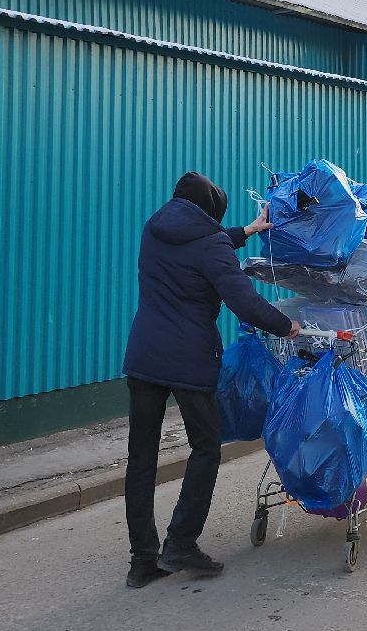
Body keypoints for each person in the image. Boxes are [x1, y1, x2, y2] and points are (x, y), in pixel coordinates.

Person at [121, 172, 298, 589]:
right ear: (211, 213)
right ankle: (181, 542)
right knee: (205, 447)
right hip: (188, 360)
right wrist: (284, 325)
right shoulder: (211, 244)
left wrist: (246, 232)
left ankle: (142, 560)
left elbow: (202, 249)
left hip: (144, 356)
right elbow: (243, 299)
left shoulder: (155, 228)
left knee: (141, 458)